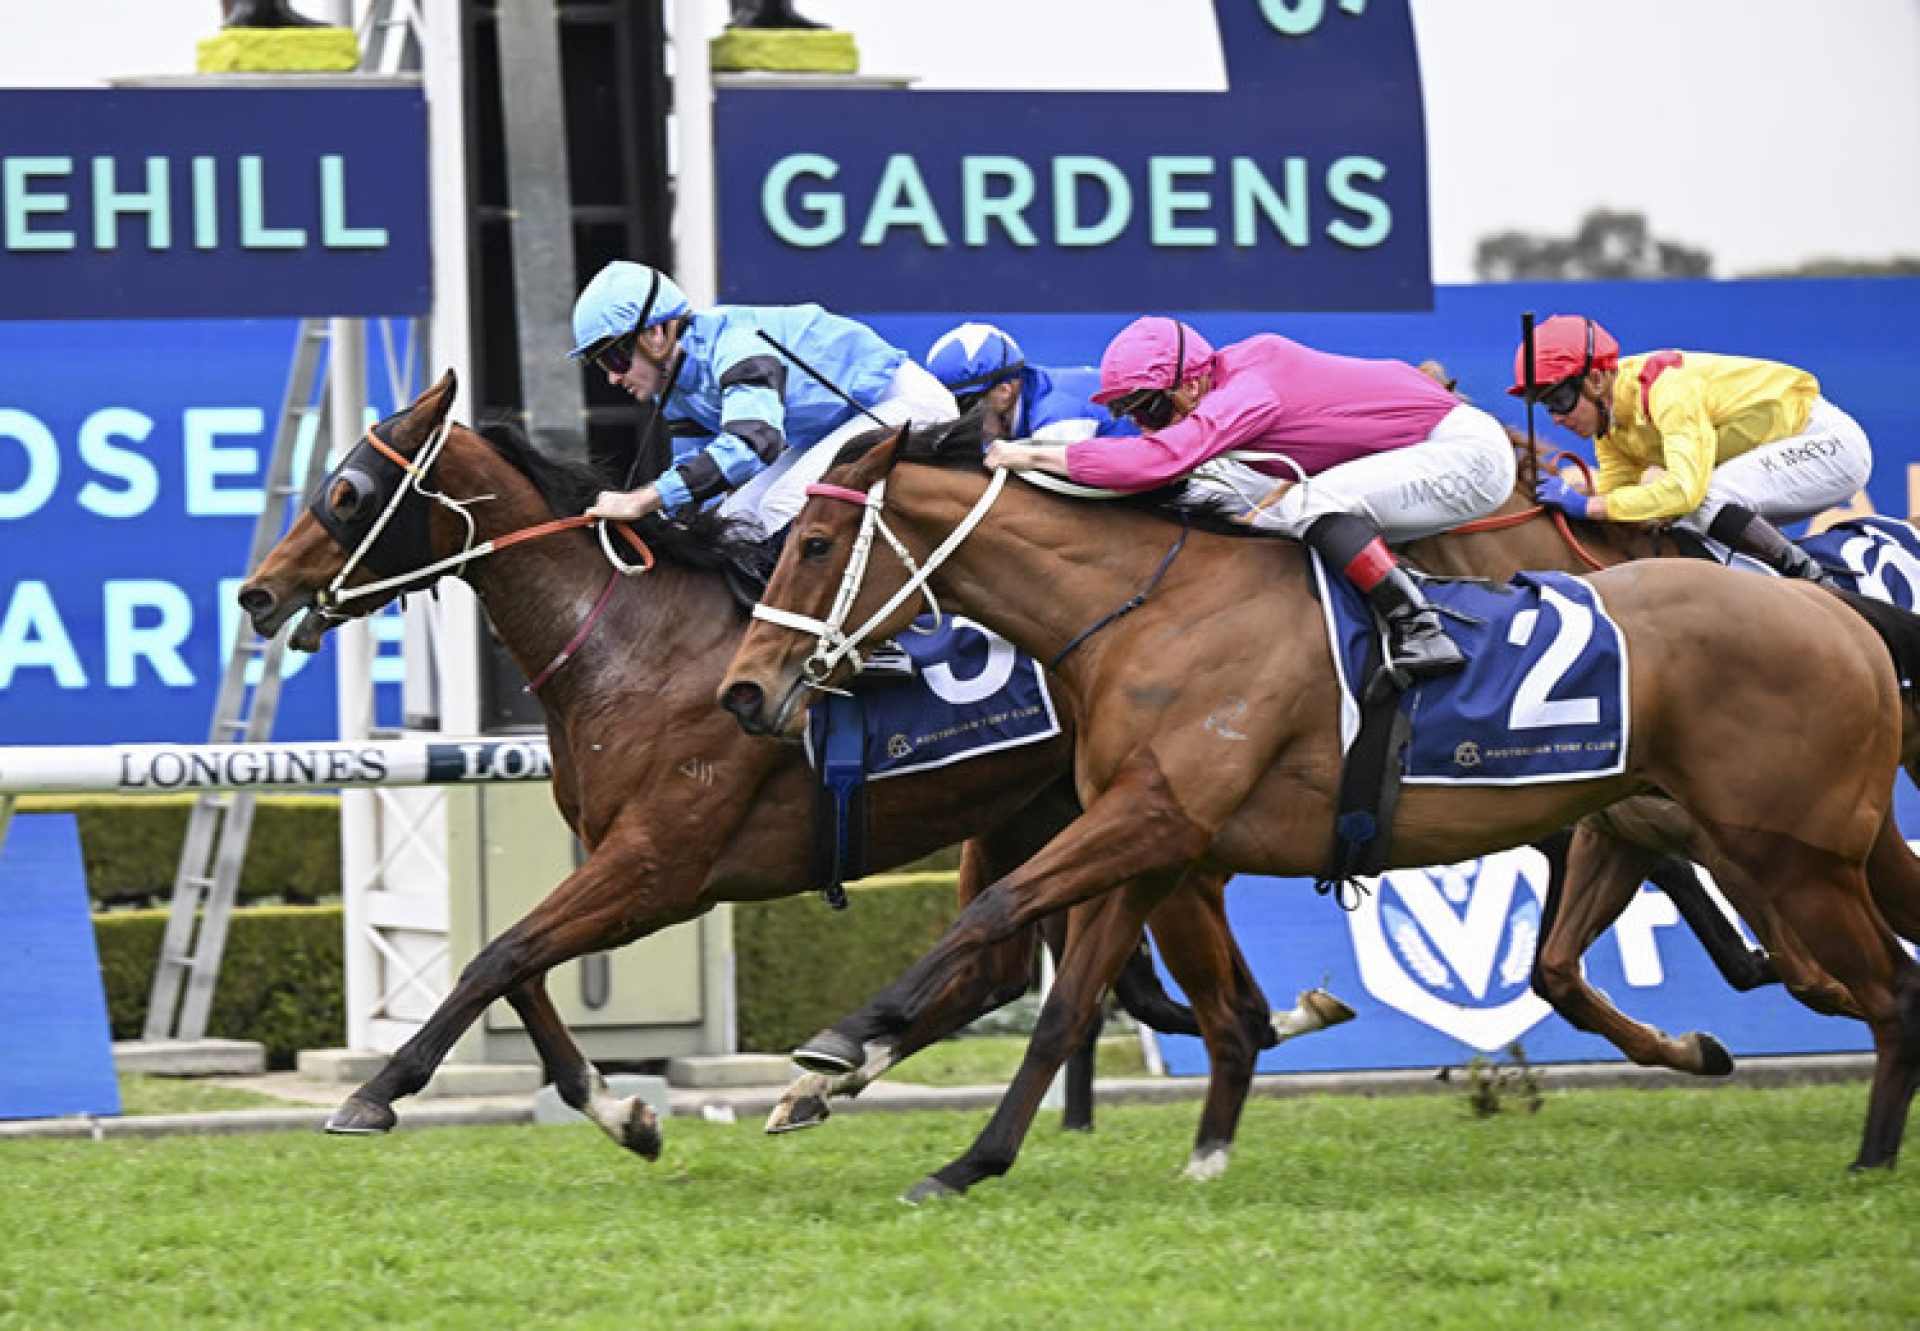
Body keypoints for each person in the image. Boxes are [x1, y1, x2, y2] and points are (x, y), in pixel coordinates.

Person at [984, 316, 1517, 687]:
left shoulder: (1249, 389)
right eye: (1129, 413)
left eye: (1146, 407)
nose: (1141, 424)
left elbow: (1156, 461)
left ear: (1190, 384)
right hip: (1419, 447)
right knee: (1216, 488)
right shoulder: (1230, 379)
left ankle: (1418, 628)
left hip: (1466, 454)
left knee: (1304, 504)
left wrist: (1028, 456)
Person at [570, 260, 955, 535]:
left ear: (656, 335)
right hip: (829, 431)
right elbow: (696, 479)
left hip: (902, 407)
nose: (612, 377)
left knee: (782, 505)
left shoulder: (736, 346)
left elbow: (752, 445)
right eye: (600, 363)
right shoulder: (671, 385)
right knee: (736, 522)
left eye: (615, 356)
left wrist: (642, 500)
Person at [1513, 315, 1869, 585]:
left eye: (1560, 399)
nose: (1557, 419)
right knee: (1682, 527)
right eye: (1548, 407)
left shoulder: (1668, 390)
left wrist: (1590, 505)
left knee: (1707, 500)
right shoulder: (1610, 430)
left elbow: (1685, 490)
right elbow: (1617, 502)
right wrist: (1580, 510)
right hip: (1776, 451)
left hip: (1827, 444)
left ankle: (1818, 585)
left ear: (1595, 380)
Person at [925, 322, 1136, 444]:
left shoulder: (1057, 419)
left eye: (964, 405)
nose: (957, 417)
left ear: (1004, 391)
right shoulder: (1030, 388)